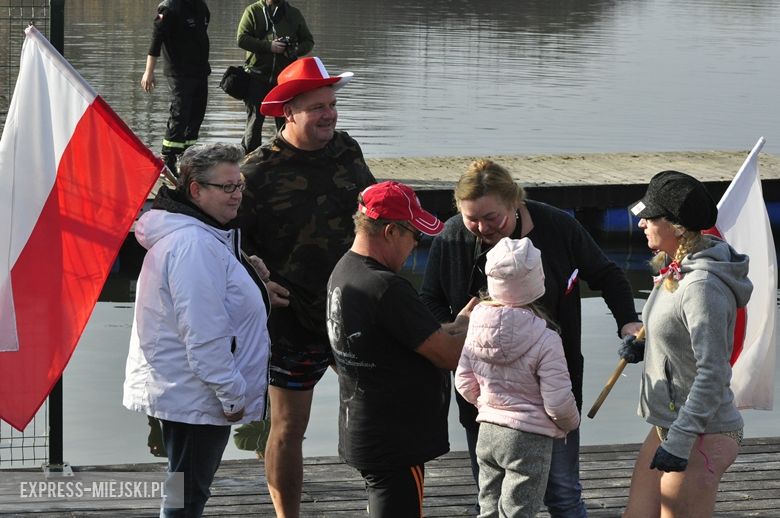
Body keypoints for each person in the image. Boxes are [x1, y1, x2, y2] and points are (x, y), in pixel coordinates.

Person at [420, 159, 643, 517]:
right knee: (490, 500)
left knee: (562, 493)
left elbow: (607, 274)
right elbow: (430, 298)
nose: (481, 228)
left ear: (515, 202)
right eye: (471, 218)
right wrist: (456, 328)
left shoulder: (558, 227)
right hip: (487, 403)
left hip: (552, 385)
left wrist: (628, 322)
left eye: (491, 218)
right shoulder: (452, 235)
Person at [238, 56, 376, 518]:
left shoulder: (347, 150)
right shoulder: (256, 172)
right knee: (288, 426)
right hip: (293, 318)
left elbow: (372, 214)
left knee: (383, 407)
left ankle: (386, 502)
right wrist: (258, 279)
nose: (329, 115)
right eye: (317, 107)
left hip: (353, 308)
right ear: (288, 112)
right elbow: (230, 243)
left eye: (331, 105)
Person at [123, 143, 270, 517]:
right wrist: (232, 395)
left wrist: (250, 278)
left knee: (185, 492)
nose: (237, 195)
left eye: (240, 185)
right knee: (186, 498)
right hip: (196, 396)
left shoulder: (204, 235)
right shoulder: (194, 245)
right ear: (195, 190)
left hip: (192, 392)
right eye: (227, 187)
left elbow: (215, 303)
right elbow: (203, 334)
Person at [327, 181, 474, 518]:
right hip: (395, 440)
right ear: (391, 232)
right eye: (414, 235)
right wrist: (483, 322)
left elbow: (412, 335)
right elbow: (450, 355)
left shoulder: (346, 271)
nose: (416, 244)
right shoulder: (387, 287)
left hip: (365, 428)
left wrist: (459, 323)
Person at [622, 170, 751, 517]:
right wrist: (647, 346)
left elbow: (712, 373)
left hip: (701, 432)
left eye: (650, 217)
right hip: (669, 423)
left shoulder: (702, 287)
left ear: (677, 227)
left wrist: (680, 442)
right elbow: (679, 332)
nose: (641, 224)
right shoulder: (676, 266)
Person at [455, 237, 580, 518]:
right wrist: (570, 424)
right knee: (519, 511)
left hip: (487, 431)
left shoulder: (475, 327)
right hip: (528, 438)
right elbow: (558, 404)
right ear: (537, 282)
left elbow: (463, 382)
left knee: (488, 508)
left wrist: (487, 405)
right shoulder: (546, 338)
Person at [237, 0, 314, 154]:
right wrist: (269, 46)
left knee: (286, 122)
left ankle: (284, 157)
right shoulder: (253, 11)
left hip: (284, 80)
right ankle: (250, 159)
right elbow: (242, 39)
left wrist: (295, 50)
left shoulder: (293, 14)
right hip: (256, 76)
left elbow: (308, 41)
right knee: (254, 123)